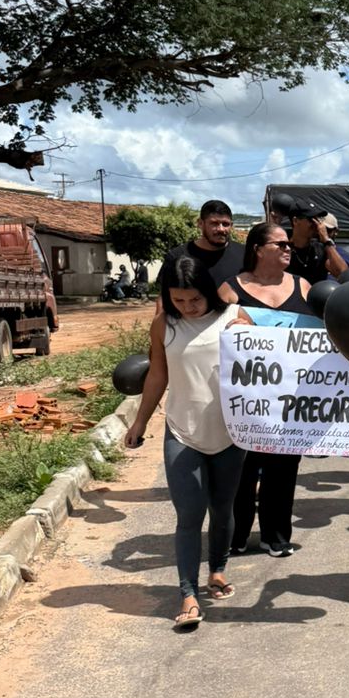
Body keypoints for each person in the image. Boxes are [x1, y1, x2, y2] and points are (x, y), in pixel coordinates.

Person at [124, 256, 246, 630]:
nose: (187, 308)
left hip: (229, 433)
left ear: (209, 292)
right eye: (178, 301)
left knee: (223, 508)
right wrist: (139, 422)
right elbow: (157, 375)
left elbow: (262, 375)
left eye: (194, 300)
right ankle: (188, 594)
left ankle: (218, 570)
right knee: (189, 516)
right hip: (182, 431)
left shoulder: (236, 318)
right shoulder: (164, 325)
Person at [226, 224, 315, 558]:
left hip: (289, 401)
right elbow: (212, 333)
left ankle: (276, 535)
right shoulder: (231, 290)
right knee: (241, 470)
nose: (288, 249)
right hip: (246, 401)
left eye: (289, 244)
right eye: (280, 244)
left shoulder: (303, 286)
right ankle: (235, 535)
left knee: (283, 468)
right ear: (258, 249)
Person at [162, 199, 244, 301]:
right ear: (200, 223)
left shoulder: (245, 255)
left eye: (225, 224)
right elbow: (164, 298)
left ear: (231, 225)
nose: (221, 229)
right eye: (214, 223)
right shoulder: (177, 256)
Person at [284, 198, 349, 285]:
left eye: (318, 219)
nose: (316, 224)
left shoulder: (320, 249)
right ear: (295, 221)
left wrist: (327, 241)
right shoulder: (283, 248)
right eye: (311, 219)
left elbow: (342, 274)